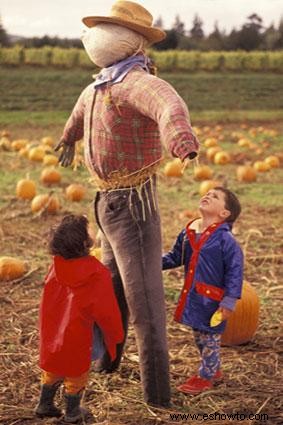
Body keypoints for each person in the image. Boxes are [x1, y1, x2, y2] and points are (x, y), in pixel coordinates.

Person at [54, 0, 199, 407]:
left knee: (146, 300)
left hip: (133, 206)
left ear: (130, 41)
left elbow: (169, 106)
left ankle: (157, 394)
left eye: (107, 28)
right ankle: (109, 359)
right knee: (110, 287)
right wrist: (68, 137)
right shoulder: (100, 84)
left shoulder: (138, 82)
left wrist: (182, 143)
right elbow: (80, 113)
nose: (95, 36)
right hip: (107, 203)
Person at [35, 214, 124, 423]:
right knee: (77, 373)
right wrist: (115, 333)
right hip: (80, 332)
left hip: (55, 331)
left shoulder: (56, 267)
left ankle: (44, 403)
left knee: (54, 367)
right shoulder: (97, 273)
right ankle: (73, 413)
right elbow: (106, 310)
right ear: (85, 242)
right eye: (89, 228)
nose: (93, 229)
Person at [162, 187, 243, 394]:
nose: (207, 195)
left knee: (209, 339)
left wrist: (229, 301)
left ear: (224, 214)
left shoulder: (226, 241)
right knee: (199, 337)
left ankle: (205, 377)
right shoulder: (188, 231)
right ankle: (213, 369)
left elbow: (235, 272)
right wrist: (154, 263)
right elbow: (175, 257)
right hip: (194, 298)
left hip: (213, 301)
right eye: (206, 193)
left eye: (214, 196)